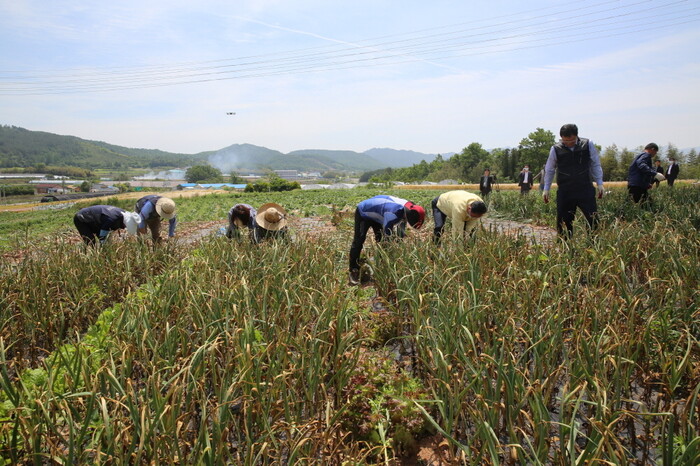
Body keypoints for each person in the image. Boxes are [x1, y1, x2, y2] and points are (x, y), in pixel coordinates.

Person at [543, 124, 604, 238]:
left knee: (592, 218)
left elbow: (595, 164)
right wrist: (546, 189)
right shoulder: (556, 148)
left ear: (576, 136)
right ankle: (565, 247)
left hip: (585, 188)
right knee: (564, 221)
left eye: (571, 140)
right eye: (565, 141)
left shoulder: (587, 145)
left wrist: (599, 183)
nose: (568, 143)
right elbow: (550, 169)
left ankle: (594, 245)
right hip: (565, 190)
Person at [349, 195, 425, 285]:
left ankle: (379, 266)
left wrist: (398, 243)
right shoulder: (393, 213)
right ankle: (353, 270)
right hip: (364, 212)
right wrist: (390, 254)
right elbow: (387, 236)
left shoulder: (408, 208)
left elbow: (400, 233)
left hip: (379, 213)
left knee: (380, 240)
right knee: (359, 240)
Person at [73, 205, 141, 246]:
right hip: (83, 218)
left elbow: (107, 232)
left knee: (104, 242)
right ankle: (89, 257)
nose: (125, 227)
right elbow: (103, 234)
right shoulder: (112, 219)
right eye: (126, 226)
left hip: (97, 220)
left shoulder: (121, 214)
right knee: (91, 242)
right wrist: (103, 243)